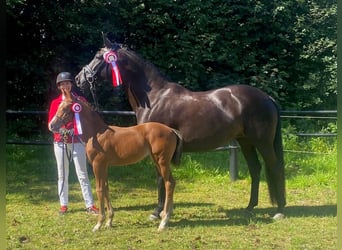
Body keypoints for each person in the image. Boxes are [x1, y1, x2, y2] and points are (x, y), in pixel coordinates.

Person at [48, 72, 98, 215]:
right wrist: (63, 131)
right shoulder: (55, 103)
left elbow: (87, 121)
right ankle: (63, 204)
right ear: (59, 86)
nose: (66, 86)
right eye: (63, 84)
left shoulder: (80, 100)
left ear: (71, 85)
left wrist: (75, 132)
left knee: (82, 174)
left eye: (68, 83)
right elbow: (51, 125)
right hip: (61, 142)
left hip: (77, 142)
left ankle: (90, 204)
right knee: (62, 174)